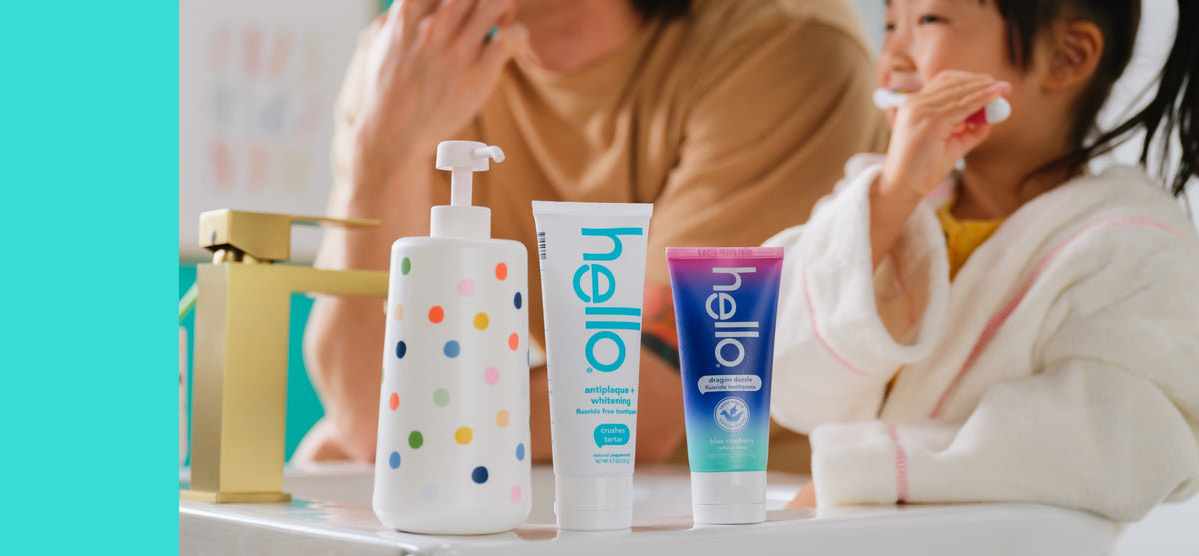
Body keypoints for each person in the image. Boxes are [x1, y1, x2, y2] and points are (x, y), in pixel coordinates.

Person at [298, 0, 887, 469]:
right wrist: (382, 153)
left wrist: (402, 427)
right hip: (543, 474)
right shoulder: (408, 61)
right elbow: (356, 393)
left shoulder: (785, 43)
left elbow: (638, 407)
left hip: (770, 501)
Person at [768, 0, 1199, 522]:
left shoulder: (1133, 249)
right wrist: (892, 195)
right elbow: (783, 378)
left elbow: (1108, 440)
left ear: (1067, 55)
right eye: (888, 25)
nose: (894, 58)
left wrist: (873, 470)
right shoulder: (879, 207)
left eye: (927, 21)